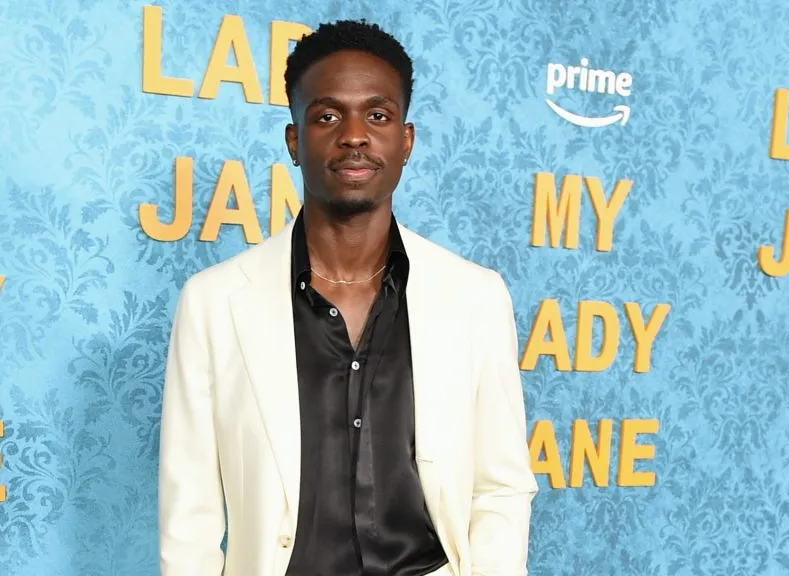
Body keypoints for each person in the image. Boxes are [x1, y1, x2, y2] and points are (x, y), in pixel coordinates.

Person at [157, 19, 538, 576]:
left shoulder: (475, 296)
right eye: (328, 115)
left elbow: (501, 486)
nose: (354, 134)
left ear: (405, 142)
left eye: (378, 115)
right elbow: (187, 513)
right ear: (294, 140)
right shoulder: (214, 302)